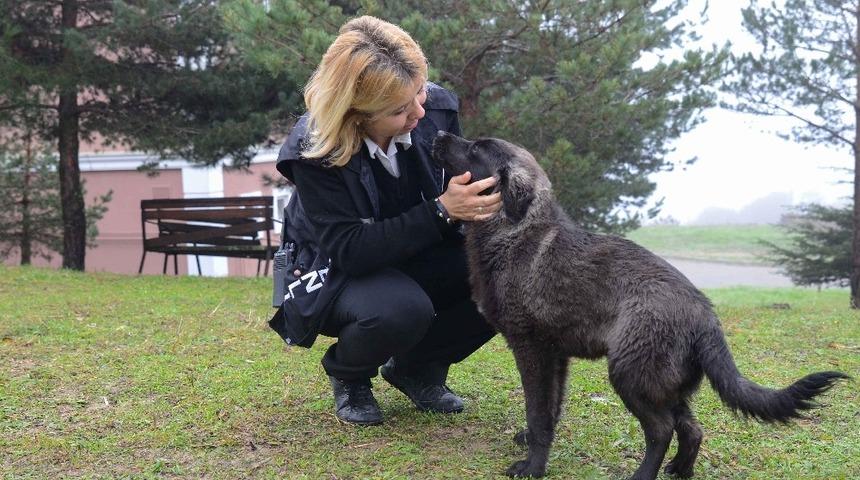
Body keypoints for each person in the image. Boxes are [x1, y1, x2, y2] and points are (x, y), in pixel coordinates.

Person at [273, 15, 501, 426]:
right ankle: (350, 374)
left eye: (419, 92)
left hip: (415, 249)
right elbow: (350, 252)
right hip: (334, 269)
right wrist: (442, 210)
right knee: (400, 309)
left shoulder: (436, 109)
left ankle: (417, 368)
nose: (419, 112)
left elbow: (461, 190)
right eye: (399, 109)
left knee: (503, 276)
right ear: (356, 113)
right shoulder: (314, 150)